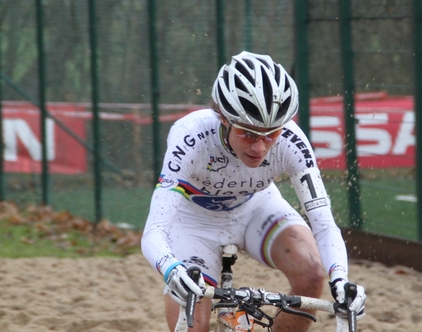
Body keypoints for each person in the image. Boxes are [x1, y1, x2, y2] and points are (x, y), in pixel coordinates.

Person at [141, 51, 366, 331]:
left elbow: (323, 223)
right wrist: (172, 268)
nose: (259, 147)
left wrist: (341, 280)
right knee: (191, 321)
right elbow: (154, 232)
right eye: (247, 133)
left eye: (271, 134)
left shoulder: (292, 141)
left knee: (312, 274)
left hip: (256, 207)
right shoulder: (190, 136)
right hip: (194, 220)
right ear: (223, 117)